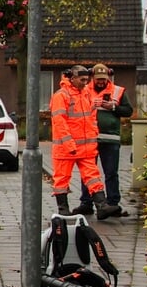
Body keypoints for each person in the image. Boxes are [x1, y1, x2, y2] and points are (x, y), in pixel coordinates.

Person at [49, 65, 108, 217]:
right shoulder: (61, 96)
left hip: (85, 147)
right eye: (82, 80)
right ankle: (63, 209)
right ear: (72, 78)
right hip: (66, 148)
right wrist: (69, 144)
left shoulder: (86, 93)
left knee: (93, 176)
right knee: (62, 178)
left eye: (86, 80)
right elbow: (59, 122)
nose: (85, 83)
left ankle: (102, 206)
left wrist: (93, 138)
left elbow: (91, 117)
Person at [82, 64, 134, 219]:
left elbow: (128, 111)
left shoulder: (117, 91)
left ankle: (113, 204)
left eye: (103, 79)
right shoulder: (85, 90)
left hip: (110, 139)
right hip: (90, 138)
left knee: (111, 172)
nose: (100, 82)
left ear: (108, 77)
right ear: (93, 77)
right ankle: (86, 203)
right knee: (88, 173)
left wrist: (112, 107)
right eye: (98, 79)